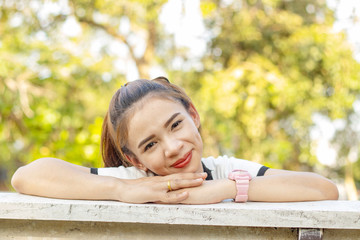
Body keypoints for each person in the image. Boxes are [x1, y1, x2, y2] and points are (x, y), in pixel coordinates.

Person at [11, 77, 339, 204]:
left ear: (193, 115)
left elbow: (324, 189)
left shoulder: (224, 171)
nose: (172, 147)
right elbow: (25, 176)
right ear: (136, 160)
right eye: (150, 145)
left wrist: (223, 189)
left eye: (176, 125)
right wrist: (123, 191)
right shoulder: (134, 181)